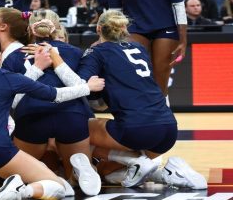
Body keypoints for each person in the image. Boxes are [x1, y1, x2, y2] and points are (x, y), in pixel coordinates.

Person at [48, 10, 207, 190]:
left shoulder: (97, 51)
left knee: (75, 128)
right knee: (107, 173)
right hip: (168, 130)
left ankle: (135, 161)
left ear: (99, 28)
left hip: (136, 129)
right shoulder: (139, 48)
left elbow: (79, 86)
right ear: (124, 29)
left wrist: (56, 59)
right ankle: (168, 173)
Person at [0, 36, 105, 200]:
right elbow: (56, 95)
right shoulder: (7, 77)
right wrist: (88, 87)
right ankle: (19, 189)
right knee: (60, 187)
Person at [2, 9, 102, 196]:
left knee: (22, 175)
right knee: (79, 180)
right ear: (58, 27)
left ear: (29, 29)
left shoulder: (14, 55)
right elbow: (84, 87)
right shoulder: (74, 51)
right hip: (71, 114)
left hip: (32, 115)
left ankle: (54, 182)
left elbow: (9, 98)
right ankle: (78, 172)